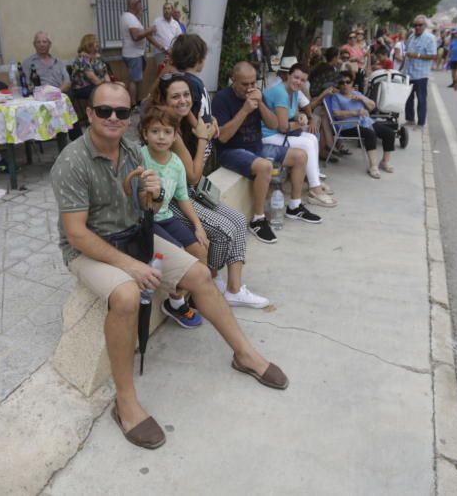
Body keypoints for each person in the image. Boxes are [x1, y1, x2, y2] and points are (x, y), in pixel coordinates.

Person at [52, 82, 288, 450]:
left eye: (122, 112)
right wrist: (130, 265)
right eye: (104, 111)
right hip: (91, 250)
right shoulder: (72, 161)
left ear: (130, 116)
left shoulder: (131, 151)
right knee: (128, 295)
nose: (114, 118)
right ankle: (125, 402)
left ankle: (245, 354)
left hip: (135, 233)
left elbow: (147, 207)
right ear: (90, 114)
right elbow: (77, 234)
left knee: (200, 273)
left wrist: (152, 192)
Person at [150, 74, 269, 308]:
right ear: (163, 101)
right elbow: (193, 175)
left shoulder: (183, 116)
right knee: (224, 231)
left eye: (187, 95)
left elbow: (204, 128)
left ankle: (234, 290)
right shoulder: (167, 130)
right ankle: (210, 278)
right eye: (175, 96)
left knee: (237, 219)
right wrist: (203, 138)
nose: (183, 100)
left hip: (192, 191)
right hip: (175, 199)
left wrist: (208, 121)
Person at [212, 62, 321, 245]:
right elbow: (222, 137)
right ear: (233, 81)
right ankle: (258, 219)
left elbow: (273, 125)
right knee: (265, 167)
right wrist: (245, 109)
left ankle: (295, 206)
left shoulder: (257, 95)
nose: (249, 88)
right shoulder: (222, 99)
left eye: (253, 83)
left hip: (256, 146)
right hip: (231, 150)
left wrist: (260, 103)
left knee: (300, 156)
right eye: (244, 84)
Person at [139, 106, 207, 328]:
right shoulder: (140, 156)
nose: (161, 137)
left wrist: (198, 225)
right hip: (145, 220)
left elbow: (183, 197)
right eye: (155, 131)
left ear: (175, 134)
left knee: (199, 248)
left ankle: (191, 295)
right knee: (174, 251)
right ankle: (175, 303)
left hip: (166, 217)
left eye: (167, 132)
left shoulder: (176, 162)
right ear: (144, 133)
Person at [261, 61, 336, 207]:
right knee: (307, 143)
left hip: (279, 134)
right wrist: (302, 123)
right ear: (288, 76)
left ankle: (315, 183)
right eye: (296, 77)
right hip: (268, 136)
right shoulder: (280, 92)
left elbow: (293, 114)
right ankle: (315, 189)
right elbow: (283, 127)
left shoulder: (293, 92)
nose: (298, 82)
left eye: (302, 80)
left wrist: (299, 117)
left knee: (312, 138)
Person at [328, 71, 396, 178]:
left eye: (347, 82)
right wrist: (356, 112)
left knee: (389, 133)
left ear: (352, 83)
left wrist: (362, 99)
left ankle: (385, 161)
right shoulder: (336, 97)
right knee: (369, 134)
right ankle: (373, 166)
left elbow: (372, 106)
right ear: (338, 84)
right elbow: (336, 114)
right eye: (342, 82)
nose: (345, 85)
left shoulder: (357, 94)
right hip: (347, 126)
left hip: (365, 122)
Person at [120, 0, 158, 106]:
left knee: (137, 79)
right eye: (140, 5)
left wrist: (159, 46)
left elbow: (143, 35)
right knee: (134, 80)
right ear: (134, 5)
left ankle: (137, 101)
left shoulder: (130, 17)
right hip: (133, 54)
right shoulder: (130, 18)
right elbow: (136, 36)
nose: (142, 7)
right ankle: (133, 104)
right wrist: (150, 30)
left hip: (134, 53)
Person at [402, 15, 436, 127]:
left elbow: (433, 56)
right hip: (408, 73)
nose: (417, 27)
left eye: (420, 25)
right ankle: (410, 119)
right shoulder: (411, 37)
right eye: (415, 25)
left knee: (421, 99)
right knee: (408, 98)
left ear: (425, 26)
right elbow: (406, 53)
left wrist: (417, 55)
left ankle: (421, 122)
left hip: (421, 74)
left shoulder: (430, 38)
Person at [70, 33, 111, 118]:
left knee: (117, 87)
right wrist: (105, 84)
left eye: (97, 41)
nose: (98, 44)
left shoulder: (97, 58)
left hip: (96, 85)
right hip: (82, 88)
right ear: (89, 44)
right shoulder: (82, 59)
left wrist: (110, 84)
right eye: (95, 42)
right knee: (103, 91)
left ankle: (111, 113)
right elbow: (94, 79)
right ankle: (102, 115)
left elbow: (105, 73)